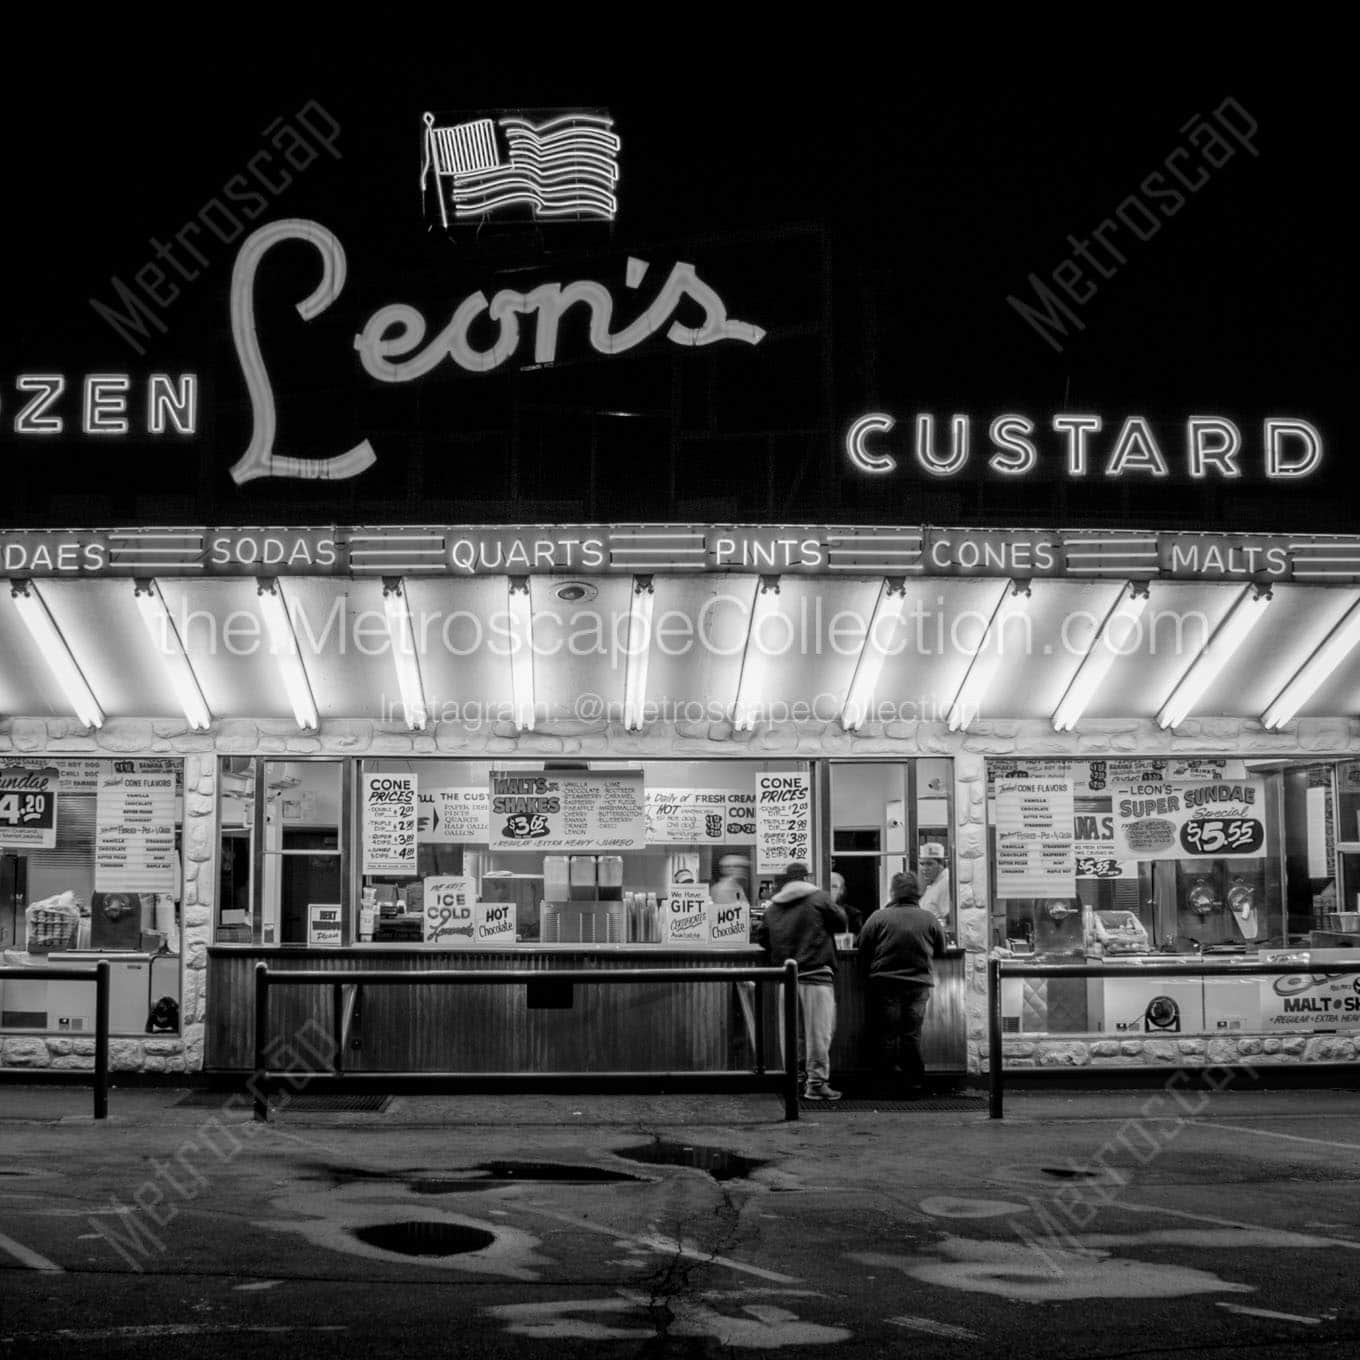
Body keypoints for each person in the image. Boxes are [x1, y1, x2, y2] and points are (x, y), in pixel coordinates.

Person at [755, 862, 847, 1100]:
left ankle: (794, 1080)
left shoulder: (773, 907)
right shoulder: (819, 898)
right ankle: (816, 1084)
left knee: (792, 1033)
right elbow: (841, 923)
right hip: (816, 975)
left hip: (786, 977)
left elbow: (762, 937)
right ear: (806, 877)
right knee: (819, 1033)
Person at [856, 870, 947, 1098]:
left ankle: (885, 1086)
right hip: (918, 984)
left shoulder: (879, 916)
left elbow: (862, 946)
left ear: (893, 892)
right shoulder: (929, 918)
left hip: (885, 982)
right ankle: (914, 1085)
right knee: (911, 1035)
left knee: (886, 1034)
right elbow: (942, 950)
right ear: (917, 892)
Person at [918, 842, 952, 924]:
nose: (925, 869)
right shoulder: (935, 883)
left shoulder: (946, 883)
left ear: (941, 864)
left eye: (929, 864)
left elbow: (948, 919)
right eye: (922, 864)